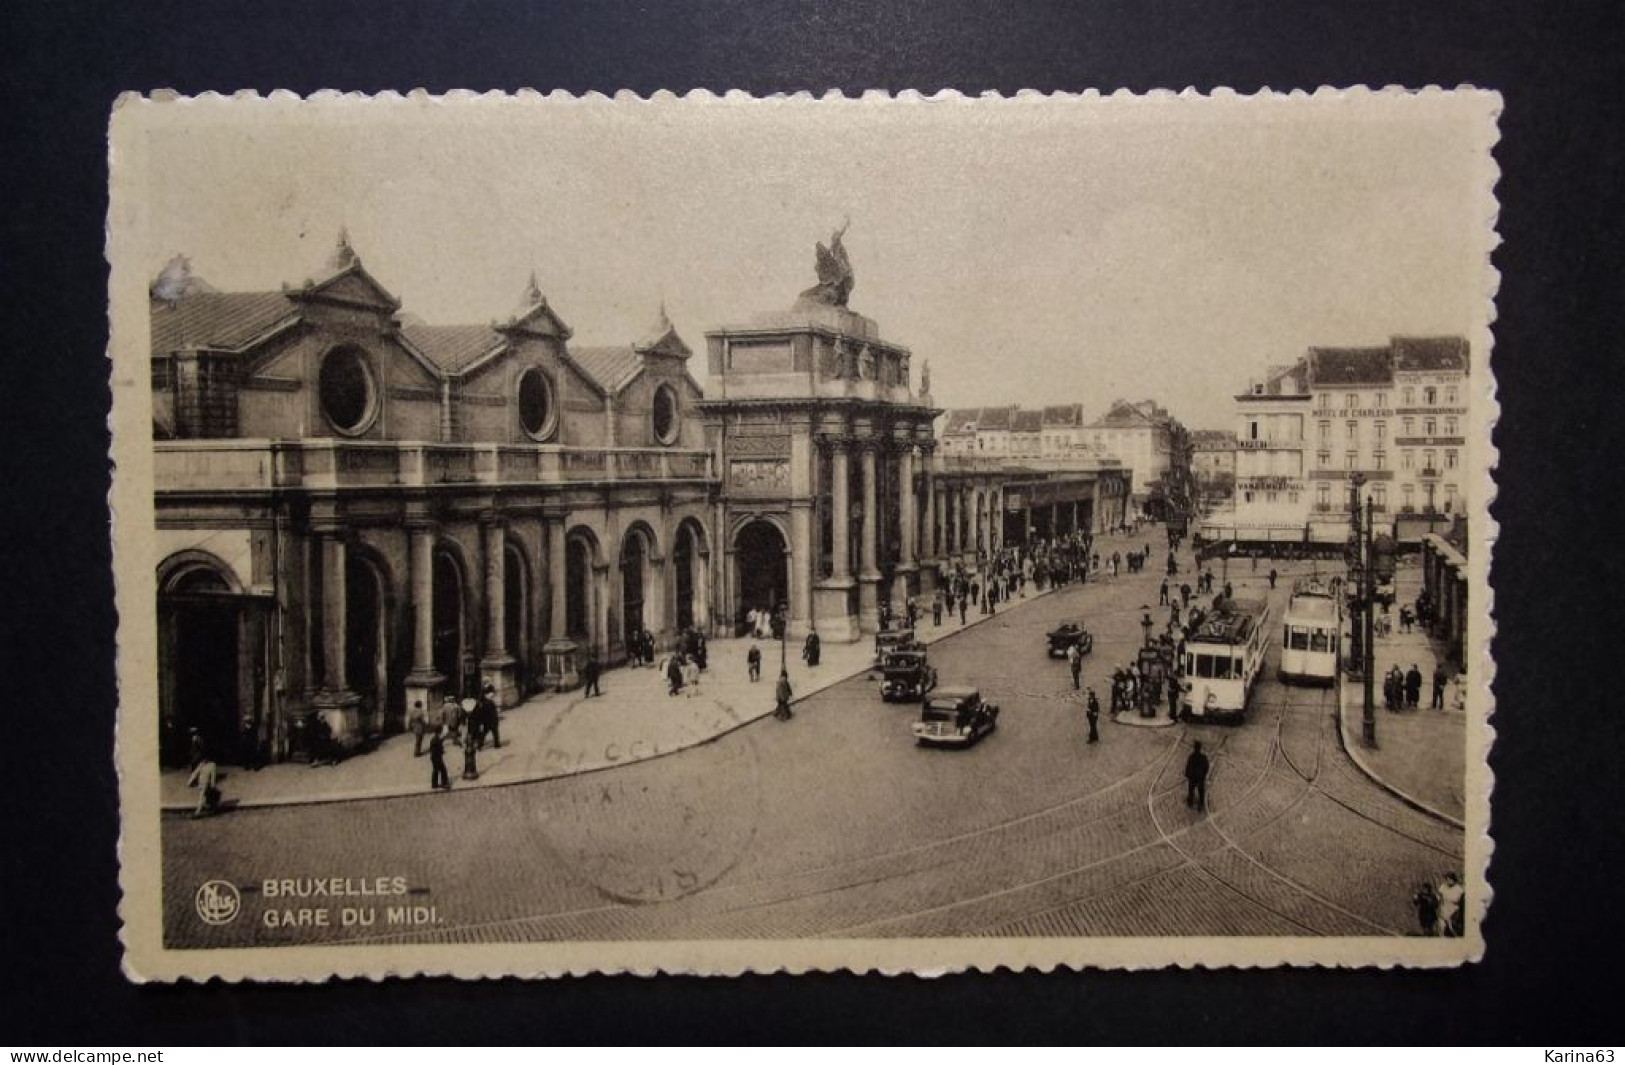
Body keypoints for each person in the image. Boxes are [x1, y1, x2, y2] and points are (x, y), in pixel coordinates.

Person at [1437, 872, 1465, 937]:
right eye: (1447, 879)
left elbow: (1460, 902)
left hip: (1454, 912)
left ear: (1454, 880)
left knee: (1453, 930)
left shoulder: (1459, 889)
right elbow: (1439, 896)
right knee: (1442, 929)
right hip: (1444, 910)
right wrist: (1438, 900)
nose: (1448, 881)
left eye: (1450, 879)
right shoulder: (1443, 887)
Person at [1184, 741, 1210, 812]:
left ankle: (1191, 801)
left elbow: (1188, 766)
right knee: (1200, 790)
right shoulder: (1203, 757)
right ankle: (1200, 803)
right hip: (1199, 777)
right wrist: (1204, 774)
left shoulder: (1191, 756)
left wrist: (1187, 774)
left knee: (1191, 790)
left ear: (1195, 748)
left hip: (1193, 777)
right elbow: (1206, 766)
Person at [476, 682, 501, 749]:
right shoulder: (485, 703)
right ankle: (495, 744)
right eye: (490, 694)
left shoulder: (488, 702)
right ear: (486, 695)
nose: (492, 695)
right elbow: (482, 713)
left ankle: (481, 745)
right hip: (488, 720)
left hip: (489, 721)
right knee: (492, 733)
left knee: (488, 733)